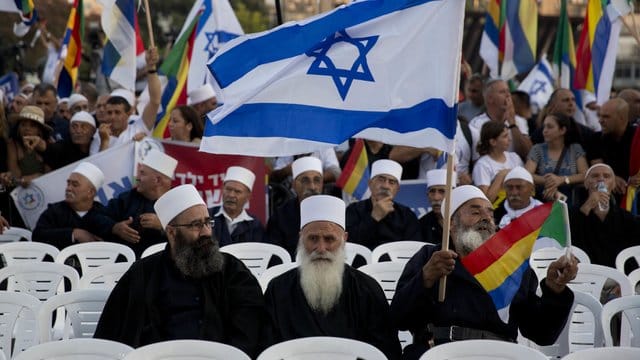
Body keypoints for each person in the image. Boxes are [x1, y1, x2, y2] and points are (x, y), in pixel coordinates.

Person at [391, 185, 577, 359]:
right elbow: (399, 318)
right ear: (451, 224)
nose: (486, 218)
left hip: (497, 354)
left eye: (490, 213)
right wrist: (426, 277)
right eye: (475, 211)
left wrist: (555, 290)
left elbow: (542, 334)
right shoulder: (429, 257)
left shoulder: (511, 265)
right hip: (438, 352)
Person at [94, 184, 270, 357]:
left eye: (208, 223)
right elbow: (109, 335)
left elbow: (250, 328)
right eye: (196, 225)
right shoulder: (141, 274)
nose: (206, 232)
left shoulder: (232, 270)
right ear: (171, 232)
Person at [265, 195, 402, 359]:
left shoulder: (366, 289)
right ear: (301, 237)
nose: (321, 248)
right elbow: (266, 350)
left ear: (344, 239)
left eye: (329, 239)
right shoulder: (278, 289)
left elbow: (386, 352)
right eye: (313, 238)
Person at [97, 149, 178, 258]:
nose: (137, 178)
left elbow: (192, 235)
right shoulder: (127, 198)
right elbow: (96, 217)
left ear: (157, 180)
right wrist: (114, 227)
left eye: (142, 173)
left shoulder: (179, 203)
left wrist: (163, 226)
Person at [570, 164, 640, 268]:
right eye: (595, 176)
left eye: (606, 176)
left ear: (613, 184)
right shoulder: (572, 214)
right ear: (586, 183)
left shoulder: (626, 218)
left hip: (619, 277)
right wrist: (587, 206)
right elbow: (570, 241)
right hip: (585, 276)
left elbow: (632, 252)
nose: (601, 179)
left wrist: (623, 281)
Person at [345, 159, 421, 250]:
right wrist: (374, 218)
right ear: (370, 184)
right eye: (381, 180)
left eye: (391, 182)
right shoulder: (354, 209)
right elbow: (349, 244)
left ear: (397, 189)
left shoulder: (406, 215)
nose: (385, 186)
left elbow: (413, 249)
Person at [33, 162, 106, 249]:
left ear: (90, 192)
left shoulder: (103, 213)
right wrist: (73, 233)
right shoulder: (55, 211)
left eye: (75, 185)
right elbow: (37, 236)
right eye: (68, 184)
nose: (68, 188)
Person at [267, 156, 324, 258]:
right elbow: (274, 256)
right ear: (294, 185)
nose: (312, 187)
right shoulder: (281, 217)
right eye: (305, 180)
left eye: (317, 180)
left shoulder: (333, 212)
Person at [525, 113, 588, 205]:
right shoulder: (537, 149)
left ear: (562, 130)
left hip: (570, 202)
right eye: (544, 127)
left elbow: (585, 175)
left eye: (549, 127)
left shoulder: (575, 149)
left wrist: (563, 180)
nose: (544, 131)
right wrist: (549, 181)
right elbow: (526, 174)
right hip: (544, 200)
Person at [469, 79, 532, 160]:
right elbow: (478, 158)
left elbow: (528, 154)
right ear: (490, 99)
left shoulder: (520, 121)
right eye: (502, 92)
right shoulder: (476, 125)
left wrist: (512, 124)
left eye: (508, 91)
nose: (508, 95)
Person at [588, 98, 637, 198]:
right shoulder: (595, 139)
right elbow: (598, 168)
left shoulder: (637, 137)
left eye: (606, 117)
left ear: (622, 118)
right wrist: (613, 178)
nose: (600, 121)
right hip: (608, 198)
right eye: (600, 115)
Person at [209, 166, 265, 246]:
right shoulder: (208, 216)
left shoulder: (255, 225)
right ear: (222, 189)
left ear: (248, 197)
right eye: (228, 189)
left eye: (237, 192)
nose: (231, 195)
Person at [0, 106, 51, 189]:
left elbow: (50, 175)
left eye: (32, 126)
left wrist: (37, 176)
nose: (27, 129)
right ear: (18, 127)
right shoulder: (12, 144)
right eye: (23, 125)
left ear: (39, 129)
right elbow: (15, 176)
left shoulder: (49, 144)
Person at [472, 121, 523, 204]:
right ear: (493, 142)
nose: (509, 139)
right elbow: (486, 201)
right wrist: (501, 176)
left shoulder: (514, 157)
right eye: (505, 136)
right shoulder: (482, 165)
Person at [419, 169, 455, 244]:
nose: (436, 197)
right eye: (432, 191)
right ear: (427, 195)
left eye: (442, 191)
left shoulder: (465, 219)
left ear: (454, 194)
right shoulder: (422, 224)